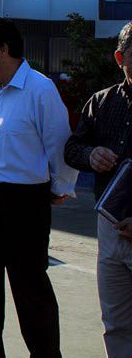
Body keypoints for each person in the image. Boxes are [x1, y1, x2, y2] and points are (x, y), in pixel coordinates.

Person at [0, 16, 77, 357]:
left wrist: (59, 187)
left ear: (4, 49)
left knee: (30, 292)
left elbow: (58, 144)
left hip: (25, 204)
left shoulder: (40, 89)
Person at [64, 21, 132, 357]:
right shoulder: (101, 102)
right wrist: (91, 154)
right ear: (120, 57)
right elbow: (72, 149)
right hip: (109, 226)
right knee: (116, 319)